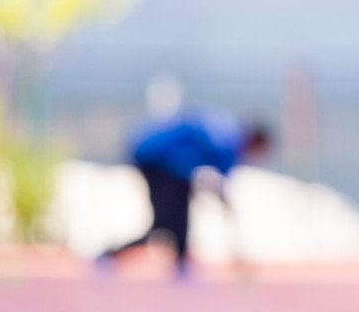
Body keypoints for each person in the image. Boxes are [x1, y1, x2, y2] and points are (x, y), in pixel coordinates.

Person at [97, 108, 271, 280]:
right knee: (165, 221)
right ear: (255, 142)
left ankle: (181, 264)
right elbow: (220, 186)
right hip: (156, 161)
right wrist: (226, 208)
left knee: (179, 211)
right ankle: (109, 256)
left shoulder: (227, 131)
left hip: (168, 165)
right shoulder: (230, 143)